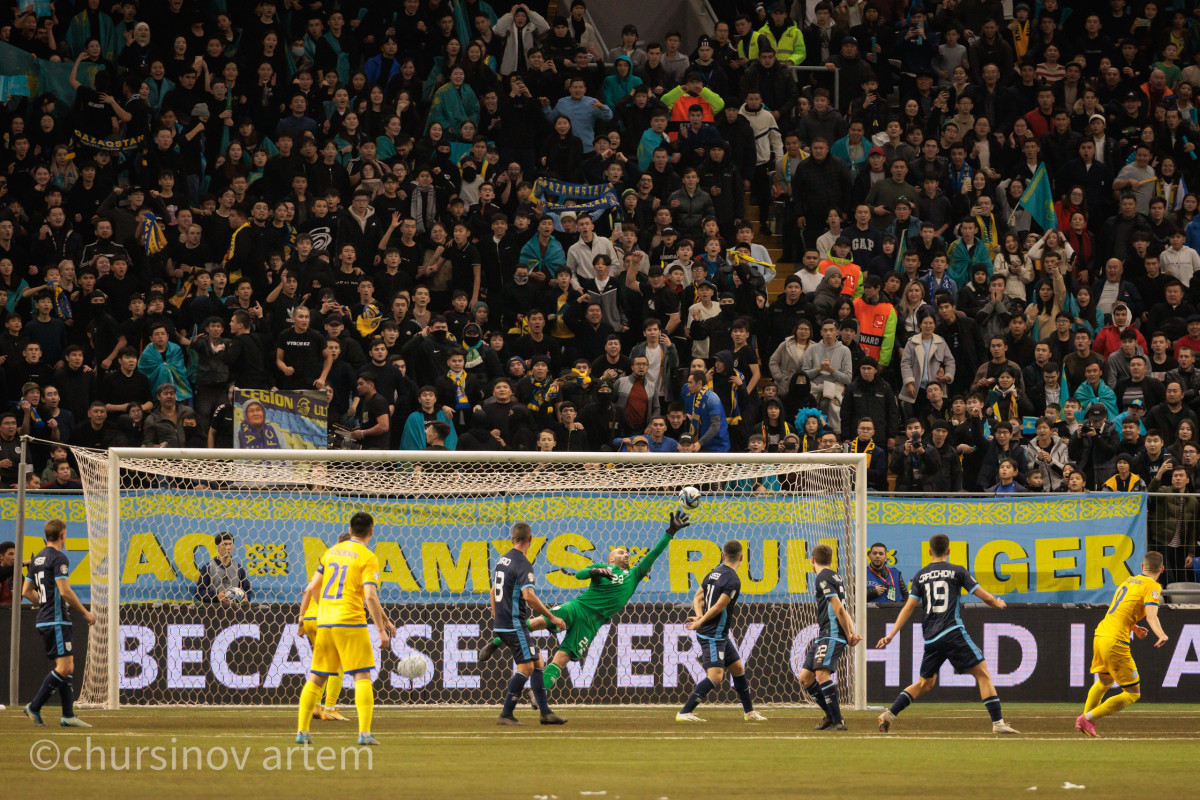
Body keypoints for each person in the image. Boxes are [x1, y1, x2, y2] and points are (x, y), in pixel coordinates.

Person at [480, 510, 692, 691]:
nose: (626, 554)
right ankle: (496, 642)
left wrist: (670, 532)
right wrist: (596, 571)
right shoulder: (602, 567)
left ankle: (539, 693)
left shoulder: (635, 575)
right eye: (620, 552)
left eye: (627, 553)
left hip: (592, 622)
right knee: (540, 621)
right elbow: (579, 574)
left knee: (561, 659)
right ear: (610, 559)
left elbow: (653, 555)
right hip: (578, 607)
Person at [876, 533, 1019, 735]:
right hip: (952, 631)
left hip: (931, 637)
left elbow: (908, 607)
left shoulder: (920, 575)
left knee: (925, 683)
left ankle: (888, 715)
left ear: (929, 552)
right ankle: (998, 723)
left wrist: (891, 634)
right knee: (983, 673)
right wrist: (998, 603)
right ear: (949, 551)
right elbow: (981, 594)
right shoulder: (957, 571)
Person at [296, 512, 394, 746]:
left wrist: (324, 609)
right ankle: (364, 734)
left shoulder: (329, 553)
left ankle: (302, 732)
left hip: (326, 622)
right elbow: (370, 595)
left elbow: (311, 587)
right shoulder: (368, 557)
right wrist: (381, 630)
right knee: (362, 676)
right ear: (371, 532)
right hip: (350, 621)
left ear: (349, 530)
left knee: (316, 677)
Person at [1076, 551, 1169, 738]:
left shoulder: (1128, 581)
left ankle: (1086, 723)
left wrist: (1133, 627)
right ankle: (1087, 718)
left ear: (1142, 567)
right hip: (1115, 640)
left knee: (1105, 681)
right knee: (1133, 693)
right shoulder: (1153, 586)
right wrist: (1161, 633)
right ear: (1162, 569)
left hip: (1101, 634)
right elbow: (1151, 615)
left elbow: (1118, 610)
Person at [677, 540, 766, 723]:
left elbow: (698, 596)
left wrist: (700, 616)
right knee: (716, 677)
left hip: (719, 634)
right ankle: (685, 712)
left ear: (723, 556)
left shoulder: (713, 573)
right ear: (742, 558)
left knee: (738, 668)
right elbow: (718, 607)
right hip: (713, 634)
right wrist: (701, 621)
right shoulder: (733, 580)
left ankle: (749, 712)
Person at [21, 519, 95, 728]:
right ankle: (34, 707)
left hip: (44, 619)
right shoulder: (58, 557)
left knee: (66, 668)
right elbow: (65, 591)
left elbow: (26, 591)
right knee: (66, 667)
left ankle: (68, 715)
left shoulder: (37, 559)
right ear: (63, 535)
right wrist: (85, 613)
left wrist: (44, 603)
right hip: (56, 620)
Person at [491, 522, 567, 726]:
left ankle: (545, 713)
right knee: (526, 667)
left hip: (504, 623)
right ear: (531, 540)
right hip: (514, 624)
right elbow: (529, 597)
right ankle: (506, 714)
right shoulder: (523, 563)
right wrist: (552, 617)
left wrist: (496, 616)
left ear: (512, 539)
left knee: (538, 661)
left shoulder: (502, 560)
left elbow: (492, 591)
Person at [795, 543, 863, 732]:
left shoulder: (822, 578)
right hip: (824, 634)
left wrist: (849, 633)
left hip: (832, 634)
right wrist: (851, 630)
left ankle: (838, 721)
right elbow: (844, 608)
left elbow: (838, 608)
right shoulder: (836, 576)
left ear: (812, 560)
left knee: (822, 674)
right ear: (832, 560)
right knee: (806, 678)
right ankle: (830, 716)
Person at [297, 532, 352, 722]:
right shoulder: (349, 565)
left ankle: (316, 706)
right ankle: (330, 708)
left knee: (322, 664)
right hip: (326, 618)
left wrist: (301, 618)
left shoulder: (327, 561)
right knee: (338, 663)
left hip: (311, 618)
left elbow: (308, 589)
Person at [194, 531, 252, 603]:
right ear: (216, 547)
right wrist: (216, 596)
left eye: (230, 544)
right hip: (215, 610)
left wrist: (246, 597)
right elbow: (199, 592)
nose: (228, 547)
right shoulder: (208, 567)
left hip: (235, 610)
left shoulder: (239, 568)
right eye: (224, 544)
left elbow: (248, 590)